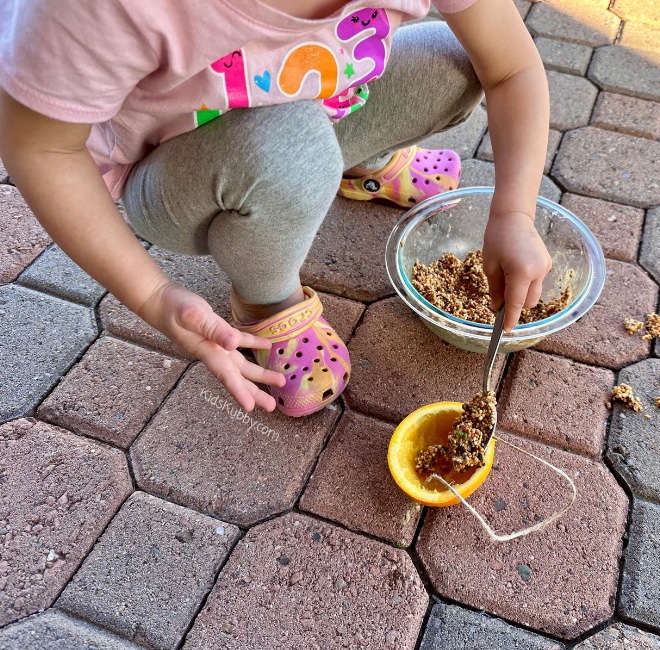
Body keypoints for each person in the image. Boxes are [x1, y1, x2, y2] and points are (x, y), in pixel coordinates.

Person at [0, 0, 551, 418]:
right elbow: (41, 147)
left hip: (307, 117)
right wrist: (153, 296)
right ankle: (264, 297)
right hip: (173, 176)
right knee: (289, 146)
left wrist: (513, 214)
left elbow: (510, 68)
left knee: (455, 61)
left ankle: (362, 159)